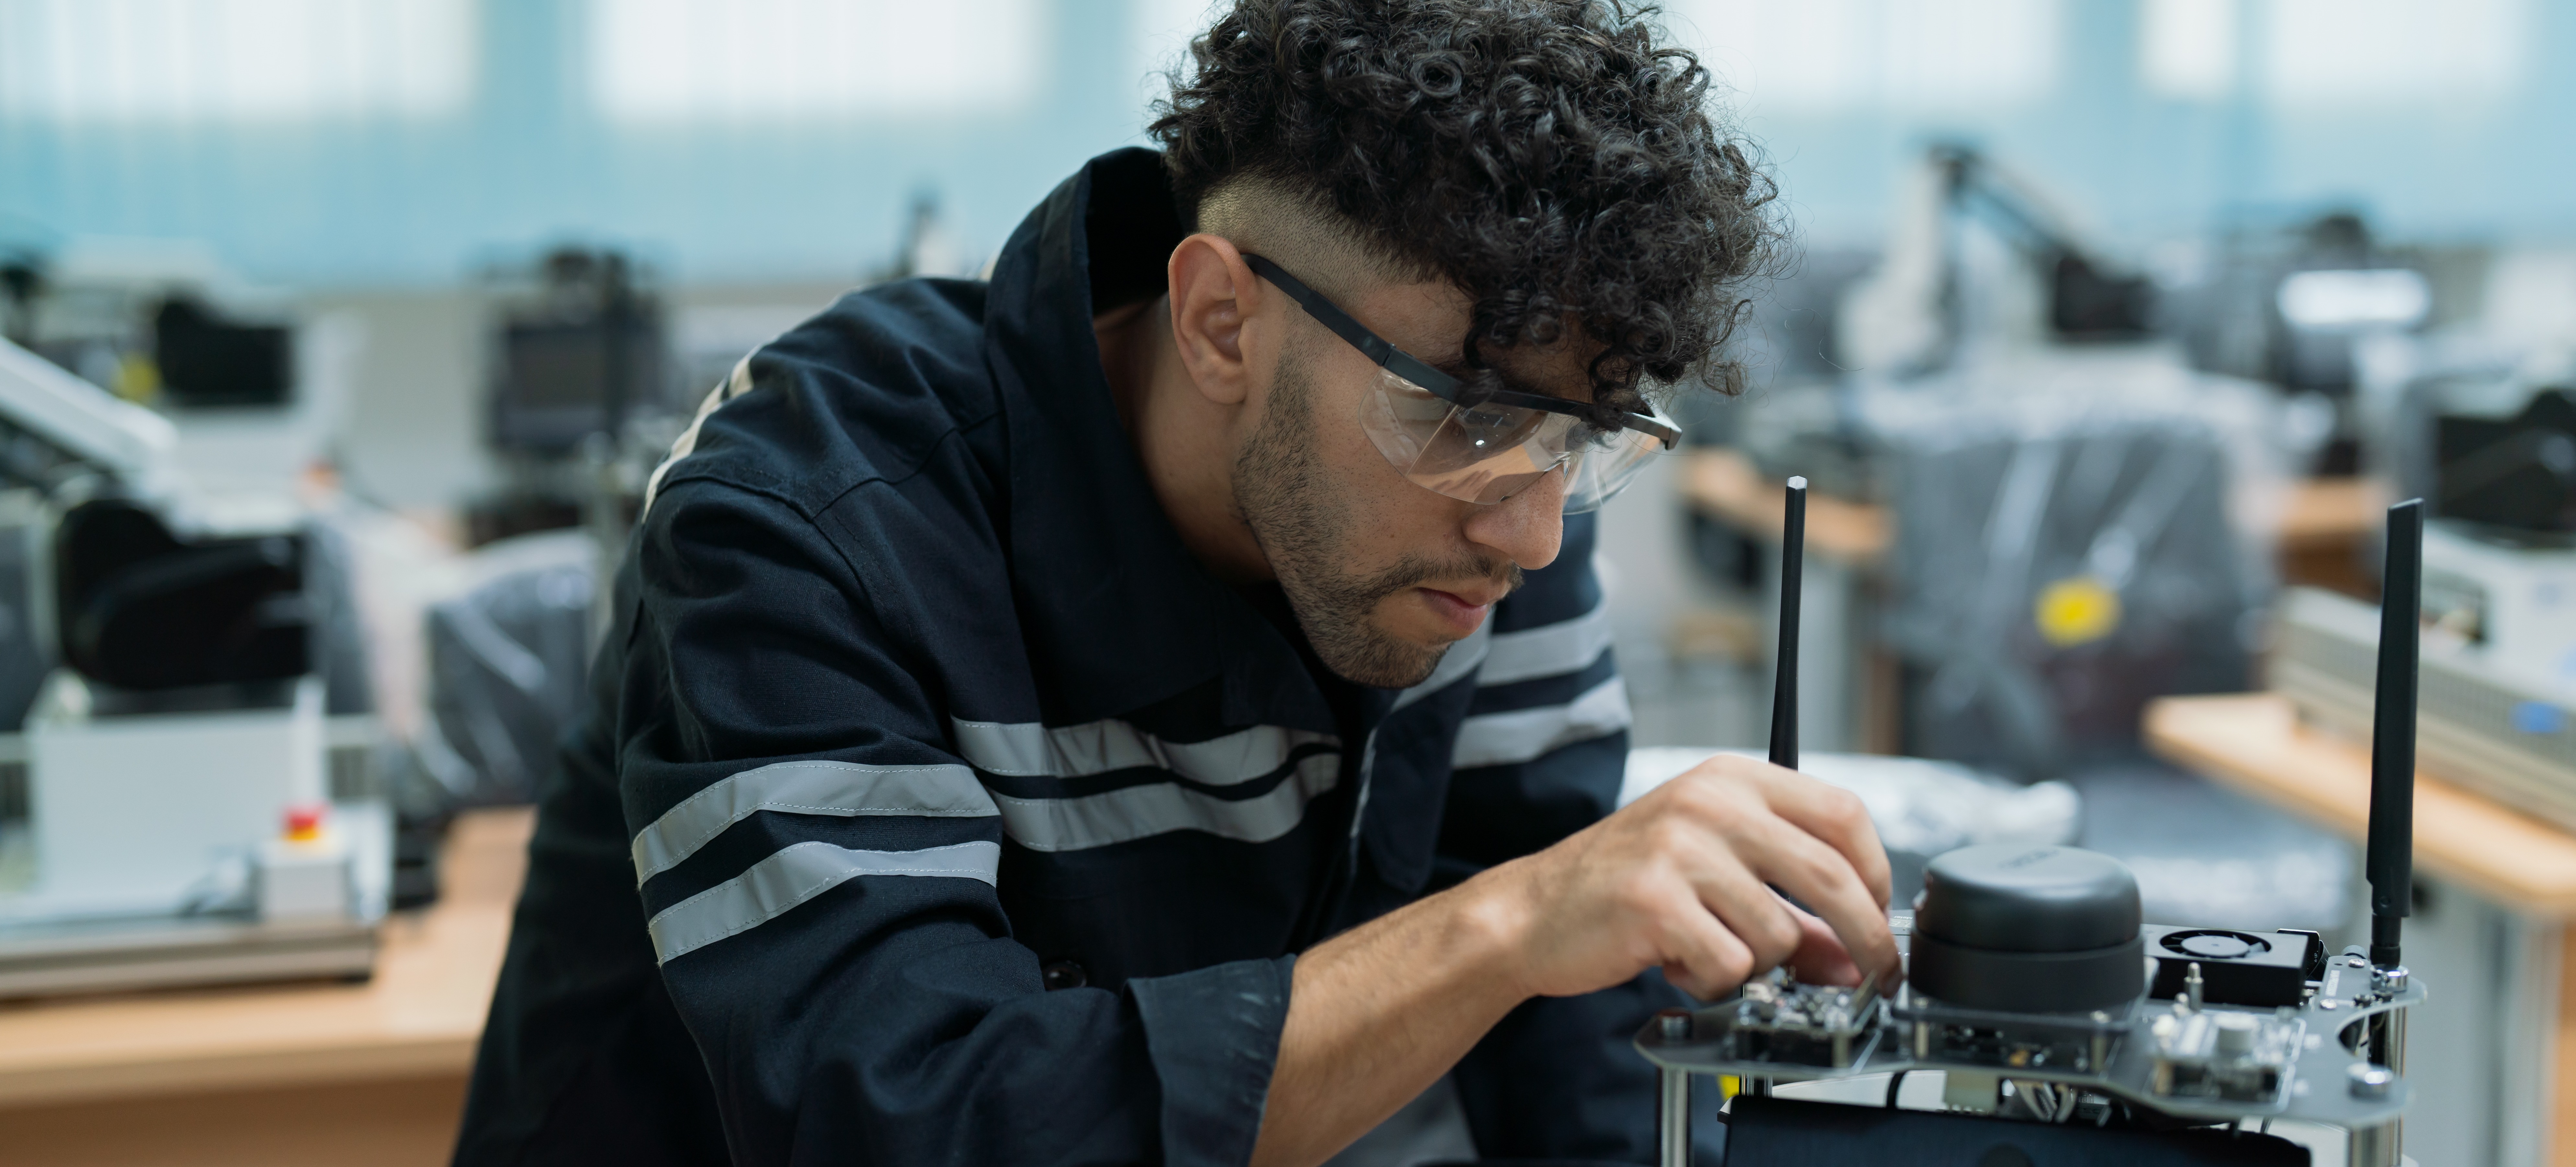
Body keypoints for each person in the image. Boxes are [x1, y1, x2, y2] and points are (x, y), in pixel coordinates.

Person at [453, 2, 1899, 1164]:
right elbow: (911, 1117)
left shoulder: (1488, 515)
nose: (1530, 534)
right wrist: (1510, 926)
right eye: (1465, 414)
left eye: (1581, 437)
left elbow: (1562, 1055)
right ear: (1219, 320)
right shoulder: (814, 522)